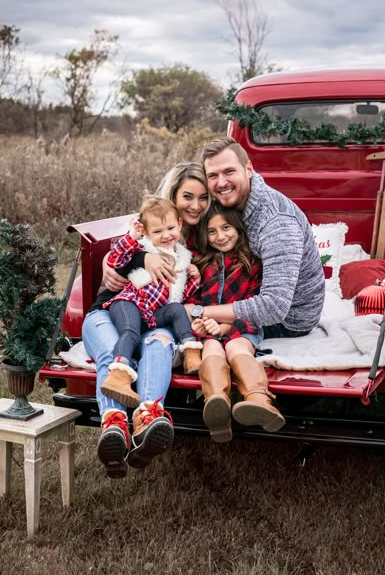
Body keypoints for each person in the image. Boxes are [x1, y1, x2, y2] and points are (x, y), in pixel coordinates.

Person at [83, 162, 209, 479]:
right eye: (187, 196)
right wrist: (142, 257)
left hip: (157, 318)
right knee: (114, 350)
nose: (196, 204)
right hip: (112, 310)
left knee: (158, 344)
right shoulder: (145, 228)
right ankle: (113, 424)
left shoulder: (208, 237)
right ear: (173, 197)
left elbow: (194, 294)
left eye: (203, 197)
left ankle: (147, 419)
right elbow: (114, 264)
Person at [196, 136, 325, 339]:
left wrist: (198, 311)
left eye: (229, 171)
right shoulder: (229, 203)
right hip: (249, 294)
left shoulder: (276, 221)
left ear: (249, 169)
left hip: (289, 320)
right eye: (213, 175)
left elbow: (274, 307)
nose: (221, 182)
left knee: (190, 328)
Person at [188, 202, 286, 443]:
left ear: (239, 228)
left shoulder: (252, 262)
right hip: (209, 327)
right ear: (204, 234)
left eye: (226, 227)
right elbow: (191, 301)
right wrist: (200, 322)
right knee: (211, 347)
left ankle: (259, 398)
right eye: (212, 231)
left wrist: (225, 326)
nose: (220, 236)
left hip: (243, 324)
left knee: (236, 347)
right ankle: (216, 404)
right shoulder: (201, 263)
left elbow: (256, 303)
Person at [99, 195, 202, 407]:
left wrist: (196, 278)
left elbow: (181, 293)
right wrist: (131, 236)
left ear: (180, 224)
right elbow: (115, 259)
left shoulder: (183, 257)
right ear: (146, 232)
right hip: (128, 303)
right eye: (157, 231)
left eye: (170, 228)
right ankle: (118, 376)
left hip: (153, 313)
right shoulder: (142, 248)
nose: (166, 235)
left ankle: (191, 352)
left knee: (176, 309)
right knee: (130, 331)